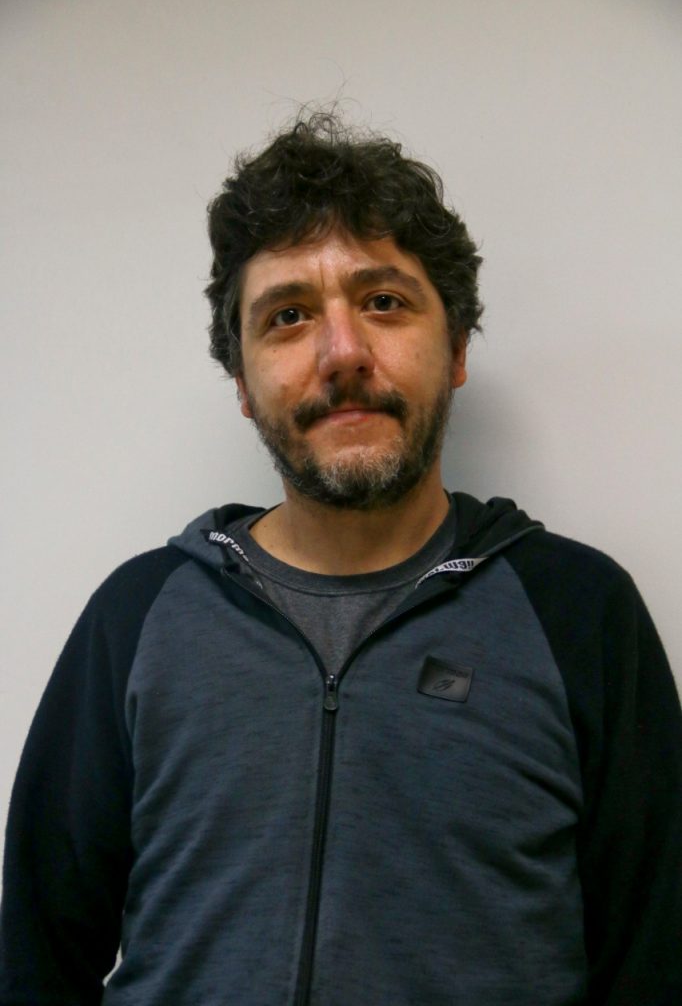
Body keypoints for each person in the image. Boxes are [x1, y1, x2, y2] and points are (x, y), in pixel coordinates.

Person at [1, 112, 680, 1006]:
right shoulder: (138, 617)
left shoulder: (581, 614)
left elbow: (657, 966)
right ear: (243, 385)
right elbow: (34, 963)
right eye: (288, 316)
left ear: (457, 349)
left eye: (384, 302)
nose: (343, 353)